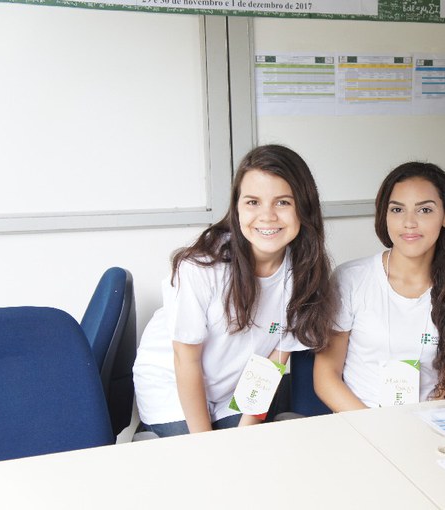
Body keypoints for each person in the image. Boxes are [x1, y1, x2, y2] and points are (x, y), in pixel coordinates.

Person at [133, 144, 336, 437]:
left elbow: (273, 363)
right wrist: (205, 442)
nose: (267, 216)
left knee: (247, 451)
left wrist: (245, 434)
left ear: (304, 207)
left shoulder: (304, 271)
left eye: (282, 202)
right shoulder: (200, 267)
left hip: (233, 387)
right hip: (172, 384)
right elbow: (185, 360)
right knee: (206, 460)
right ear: (237, 207)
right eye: (253, 202)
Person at [314, 162, 445, 410]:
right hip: (360, 422)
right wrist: (375, 426)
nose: (409, 222)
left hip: (427, 421)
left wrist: (420, 424)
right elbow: (326, 378)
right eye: (397, 209)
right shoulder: (350, 279)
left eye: (424, 210)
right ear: (385, 216)